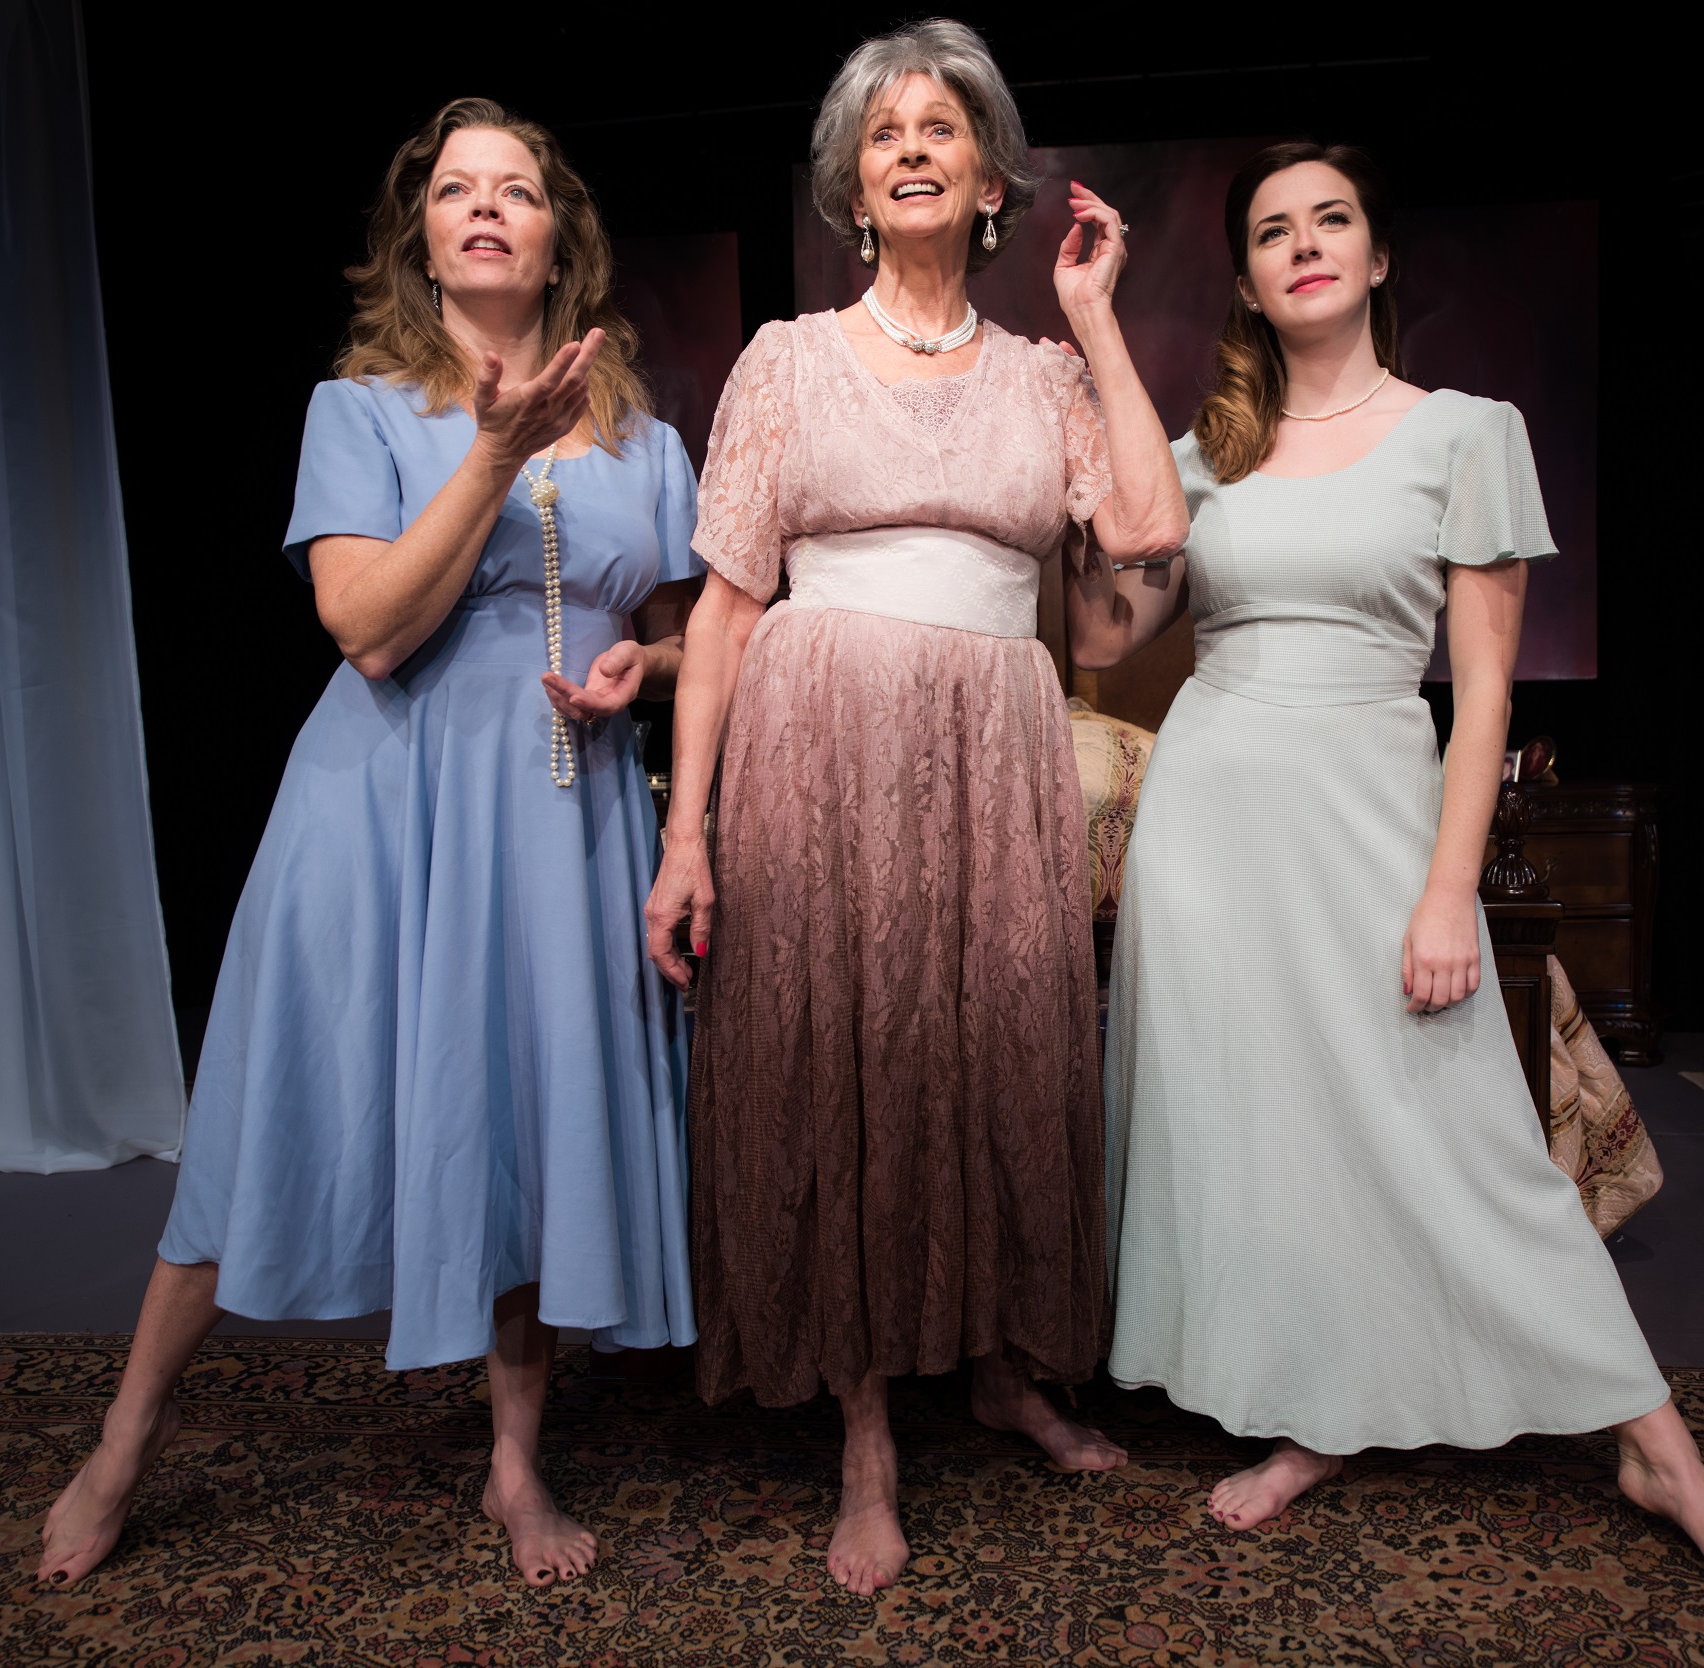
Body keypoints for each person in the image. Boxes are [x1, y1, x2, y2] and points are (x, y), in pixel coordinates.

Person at [1081, 142, 1704, 1610]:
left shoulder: (1468, 432)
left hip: (1370, 818)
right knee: (1268, 1140)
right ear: (1241, 280)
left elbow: (1483, 700)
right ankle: (1321, 1416)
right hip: (1214, 831)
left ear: (1379, 253)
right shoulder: (1205, 449)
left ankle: (1654, 1443)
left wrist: (1441, 890)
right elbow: (1103, 640)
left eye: (1331, 219)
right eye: (1274, 230)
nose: (1305, 245)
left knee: (1466, 1142)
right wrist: (1095, 324)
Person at [35, 98, 700, 1590]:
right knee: (270, 1110)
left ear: (556, 237)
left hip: (560, 821)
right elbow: (366, 631)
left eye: (515, 190)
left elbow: (678, 639)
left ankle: (515, 1468)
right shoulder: (360, 408)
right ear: (422, 233)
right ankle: (124, 1440)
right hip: (378, 814)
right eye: (454, 189)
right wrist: (490, 452)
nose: (483, 208)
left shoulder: (646, 437)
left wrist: (635, 677)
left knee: (522, 1133)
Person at [642, 18, 1188, 1597]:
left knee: (1002, 1052)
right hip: (817, 746)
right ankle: (869, 1431)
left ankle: (1005, 1367)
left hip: (995, 745)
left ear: (993, 176)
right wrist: (689, 837)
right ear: (853, 188)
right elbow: (728, 614)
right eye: (886, 133)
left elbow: (1145, 534)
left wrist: (1095, 319)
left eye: (944, 125)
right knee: (847, 1065)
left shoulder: (1039, 372)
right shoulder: (786, 361)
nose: (914, 146)